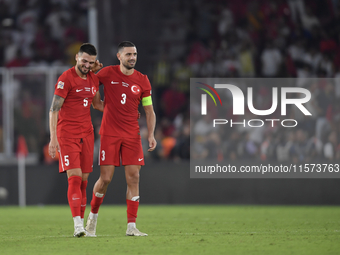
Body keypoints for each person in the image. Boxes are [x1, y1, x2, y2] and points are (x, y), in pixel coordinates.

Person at [85, 41, 157, 237]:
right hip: (109, 133)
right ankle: (92, 217)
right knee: (105, 179)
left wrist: (150, 134)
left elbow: (149, 111)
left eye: (134, 54)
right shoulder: (107, 73)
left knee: (134, 178)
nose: (132, 58)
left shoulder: (143, 80)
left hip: (132, 135)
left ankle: (131, 226)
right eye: (128, 55)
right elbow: (90, 84)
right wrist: (98, 103)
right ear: (119, 57)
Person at [48, 43, 103, 237]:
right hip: (67, 134)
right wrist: (53, 139)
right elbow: (54, 109)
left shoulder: (93, 80)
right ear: (77, 58)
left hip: (87, 134)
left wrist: (124, 109)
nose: (86, 65)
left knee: (84, 182)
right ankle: (78, 224)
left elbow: (98, 105)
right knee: (75, 177)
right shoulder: (65, 78)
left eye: (90, 62)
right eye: (83, 60)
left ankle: (83, 228)